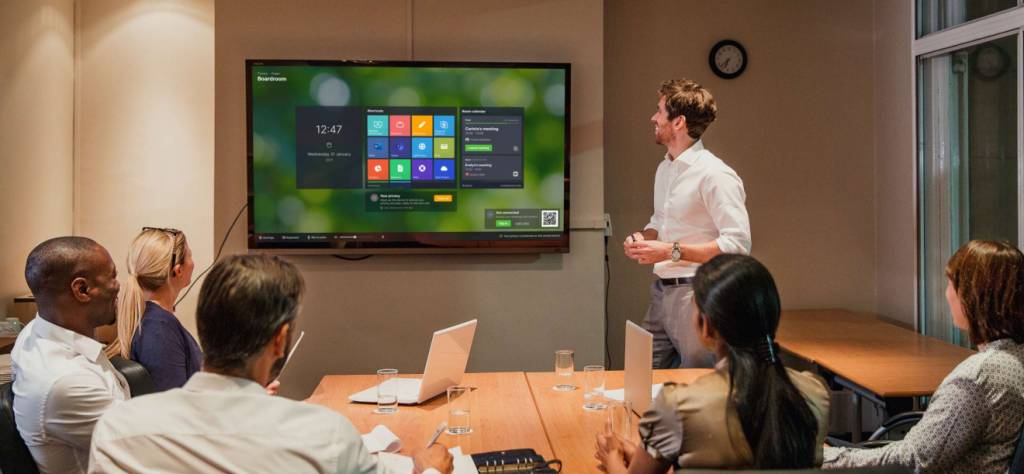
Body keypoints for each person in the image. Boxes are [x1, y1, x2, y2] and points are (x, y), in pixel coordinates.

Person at [88, 254, 453, 473]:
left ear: (204, 325)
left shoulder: (118, 430)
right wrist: (432, 468)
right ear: (280, 339)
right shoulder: (323, 436)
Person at [596, 254, 829, 472]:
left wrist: (612, 457)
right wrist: (651, 448)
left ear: (706, 326)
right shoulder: (814, 393)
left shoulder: (678, 405)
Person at [824, 240, 1024, 473]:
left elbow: (912, 462)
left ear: (972, 296)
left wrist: (829, 459)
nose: (946, 293)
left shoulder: (978, 379)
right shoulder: (1015, 357)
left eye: (951, 284)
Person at [624, 79, 751, 369]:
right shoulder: (665, 168)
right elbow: (660, 221)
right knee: (639, 376)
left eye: (659, 111)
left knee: (696, 381)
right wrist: (641, 238)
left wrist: (669, 251)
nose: (653, 118)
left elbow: (737, 245)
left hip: (698, 294)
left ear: (678, 121)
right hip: (661, 292)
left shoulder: (715, 175)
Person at [11, 236, 130, 474]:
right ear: (82, 289)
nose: (118, 286)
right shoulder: (65, 381)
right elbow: (148, 448)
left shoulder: (35, 332)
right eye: (112, 276)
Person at [105, 227, 201, 392]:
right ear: (177, 270)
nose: (193, 262)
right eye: (190, 256)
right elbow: (170, 404)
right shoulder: (159, 329)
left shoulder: (151, 320)